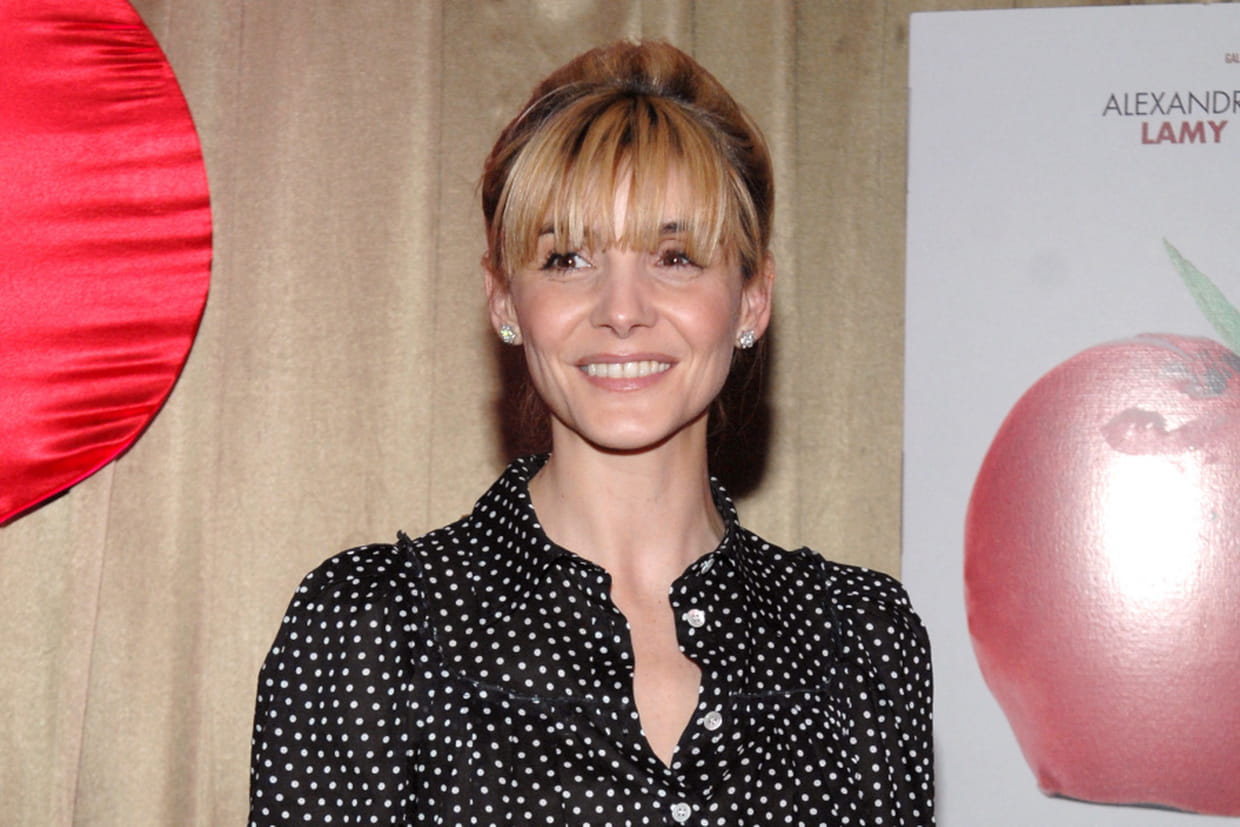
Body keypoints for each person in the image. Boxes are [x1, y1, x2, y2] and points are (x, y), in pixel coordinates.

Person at [248, 40, 933, 826]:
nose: (622, 309)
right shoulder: (373, 628)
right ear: (504, 298)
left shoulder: (861, 639)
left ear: (752, 299)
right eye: (568, 258)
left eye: (675, 256)